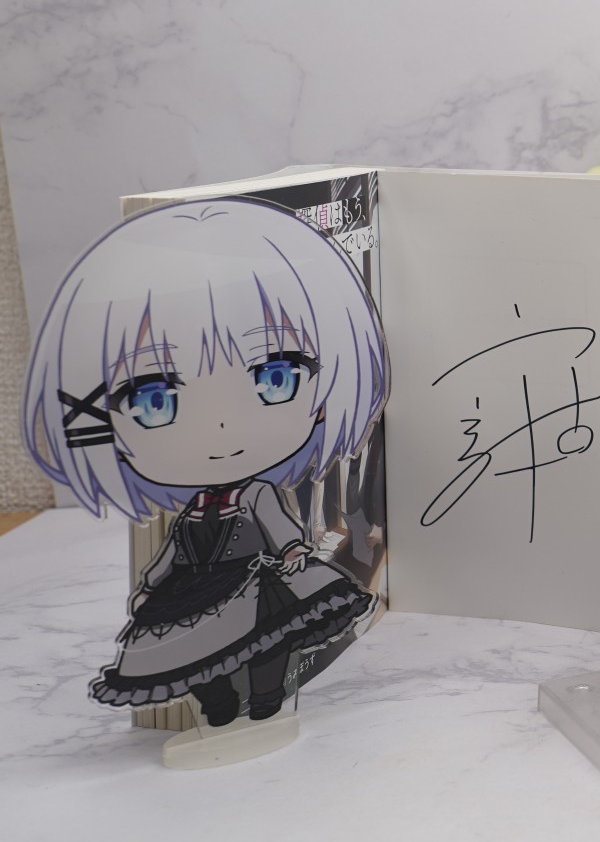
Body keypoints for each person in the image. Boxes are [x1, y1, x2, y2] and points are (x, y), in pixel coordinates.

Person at [23, 199, 387, 733]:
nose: (219, 428)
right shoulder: (192, 510)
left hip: (255, 584)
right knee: (193, 657)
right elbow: (173, 552)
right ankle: (219, 708)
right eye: (153, 400)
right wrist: (151, 585)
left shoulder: (255, 493)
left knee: (267, 644)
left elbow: (279, 527)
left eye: (276, 377)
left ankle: (265, 700)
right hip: (197, 592)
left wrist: (292, 552)